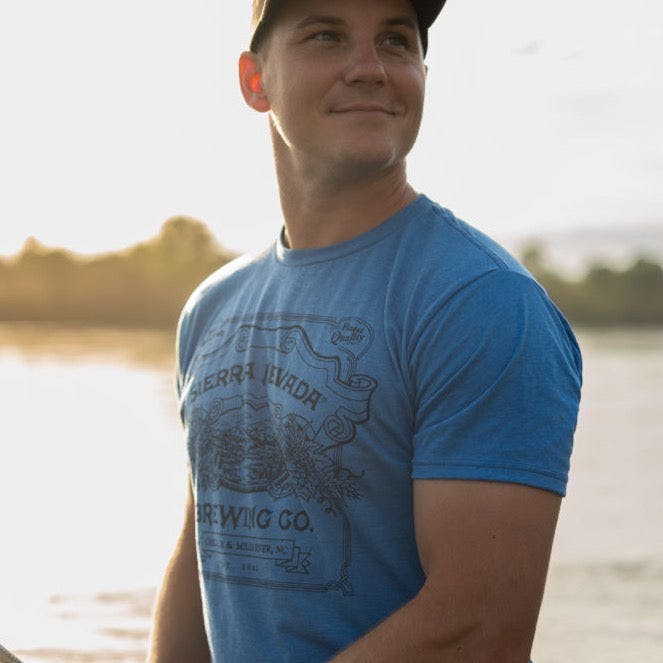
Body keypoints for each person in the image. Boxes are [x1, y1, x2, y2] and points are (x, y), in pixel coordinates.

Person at [148, 0, 582, 661]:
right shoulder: (212, 307)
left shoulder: (481, 304)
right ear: (254, 81)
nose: (370, 68)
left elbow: (475, 628)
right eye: (327, 35)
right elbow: (203, 546)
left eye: (395, 40)